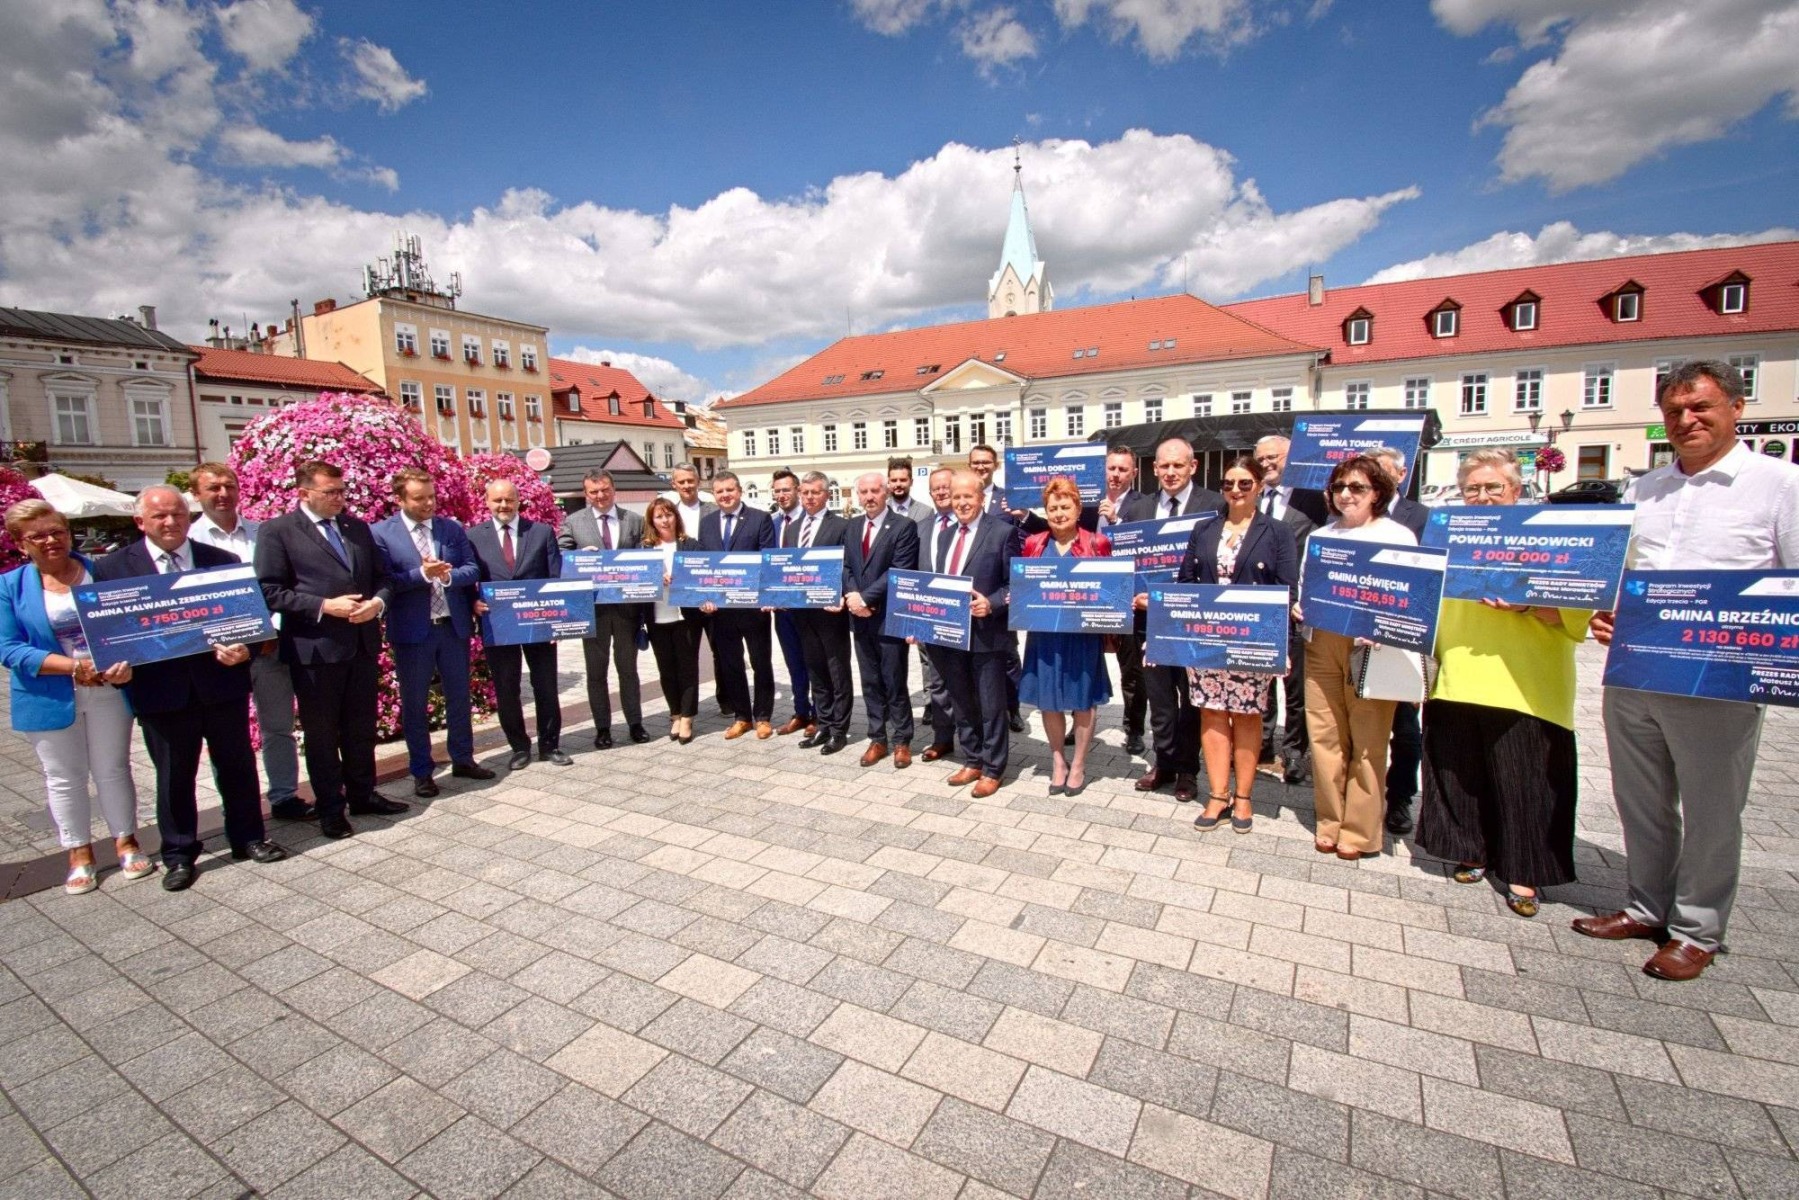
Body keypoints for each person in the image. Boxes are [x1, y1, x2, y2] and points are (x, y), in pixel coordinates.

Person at [1580, 360, 1799, 980]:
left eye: (1700, 407)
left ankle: (1698, 928)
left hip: (1719, 675)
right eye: (1674, 411)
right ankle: (1646, 906)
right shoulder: (1644, 489)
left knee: (1711, 806)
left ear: (1737, 407)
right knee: (1640, 797)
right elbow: (1623, 574)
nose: (1686, 420)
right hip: (1637, 670)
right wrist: (1609, 612)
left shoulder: (1780, 484)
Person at [1416, 450, 1586, 919]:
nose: (1483, 496)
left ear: (1517, 491)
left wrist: (1527, 604)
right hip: (1457, 674)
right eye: (1473, 488)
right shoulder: (1449, 538)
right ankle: (1470, 850)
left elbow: (1579, 611)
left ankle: (1523, 870)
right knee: (1459, 772)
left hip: (1526, 679)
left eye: (1494, 487)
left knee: (1526, 781)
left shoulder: (1548, 538)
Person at [95, 486, 285, 888]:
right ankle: (179, 853)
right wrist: (114, 669)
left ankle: (249, 836)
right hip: (160, 692)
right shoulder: (112, 569)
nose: (170, 523)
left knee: (237, 767)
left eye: (178, 515)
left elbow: (247, 623)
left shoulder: (223, 561)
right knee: (174, 776)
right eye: (160, 516)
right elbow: (108, 635)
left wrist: (245, 650)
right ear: (140, 522)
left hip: (221, 684)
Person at [255, 461, 406, 840]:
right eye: (331, 492)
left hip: (361, 642)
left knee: (360, 728)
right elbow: (269, 591)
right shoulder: (278, 532)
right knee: (322, 735)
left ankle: (363, 794)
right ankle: (330, 808)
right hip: (315, 651)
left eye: (342, 491)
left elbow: (382, 577)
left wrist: (378, 604)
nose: (340, 498)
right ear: (304, 493)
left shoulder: (356, 528)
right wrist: (324, 606)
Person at [1, 500, 145, 894]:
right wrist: (72, 668)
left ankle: (126, 842)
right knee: (64, 778)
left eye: (58, 531)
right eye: (39, 536)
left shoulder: (102, 573)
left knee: (113, 767)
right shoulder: (9, 586)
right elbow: (8, 647)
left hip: (108, 689)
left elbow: (133, 624)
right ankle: (79, 853)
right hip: (48, 693)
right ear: (20, 543)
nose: (51, 540)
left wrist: (128, 661)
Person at [1298, 454, 1416, 861]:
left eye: (1357, 487)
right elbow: (1305, 586)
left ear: (1378, 492)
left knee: (1368, 739)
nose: (1346, 494)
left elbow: (1408, 599)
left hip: (1373, 646)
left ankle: (1362, 830)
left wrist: (1386, 625)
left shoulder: (1397, 536)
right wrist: (1299, 607)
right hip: (1322, 642)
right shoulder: (1321, 536)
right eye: (1339, 488)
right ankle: (1330, 821)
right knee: (1325, 735)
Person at [1178, 457, 1299, 833]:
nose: (1235, 490)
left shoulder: (1277, 532)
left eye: (1244, 483)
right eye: (1229, 483)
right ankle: (1217, 794)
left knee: (1247, 715)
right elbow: (1186, 582)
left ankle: (1243, 796)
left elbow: (1287, 591)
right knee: (1212, 712)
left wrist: (1285, 648)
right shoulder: (1204, 529)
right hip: (1208, 638)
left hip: (1253, 640)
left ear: (1259, 486)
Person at [190, 462, 310, 820]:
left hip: (268, 647)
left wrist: (270, 633)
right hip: (219, 655)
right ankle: (236, 806)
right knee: (225, 737)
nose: (223, 494)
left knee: (279, 727)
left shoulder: (265, 533)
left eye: (229, 486)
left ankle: (285, 796)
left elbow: (280, 587)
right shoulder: (190, 541)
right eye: (213, 488)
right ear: (197, 495)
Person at [371, 469, 494, 798]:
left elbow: (472, 568)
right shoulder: (382, 534)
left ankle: (463, 759)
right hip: (413, 633)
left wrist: (450, 577)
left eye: (431, 496)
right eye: (419, 498)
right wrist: (421, 574)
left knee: (458, 697)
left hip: (451, 628)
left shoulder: (450, 528)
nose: (428, 503)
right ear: (400, 499)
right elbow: (386, 582)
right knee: (415, 703)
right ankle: (422, 771)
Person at [1125, 436, 1224, 803]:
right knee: (1160, 699)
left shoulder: (1213, 505)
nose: (1170, 472)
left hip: (1192, 622)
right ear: (1154, 469)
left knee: (1192, 699)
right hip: (1148, 623)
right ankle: (1163, 762)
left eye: (1177, 465)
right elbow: (1127, 567)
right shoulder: (1139, 510)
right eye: (1163, 466)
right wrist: (1132, 594)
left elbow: (1217, 564)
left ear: (1193, 467)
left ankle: (1187, 769)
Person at [1018, 477, 1113, 796]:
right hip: (1044, 634)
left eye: (1065, 506)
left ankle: (1080, 764)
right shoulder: (1034, 543)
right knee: (1049, 700)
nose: (1059, 513)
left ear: (1078, 507)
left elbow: (1110, 589)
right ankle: (1058, 760)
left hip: (1081, 635)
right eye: (1052, 507)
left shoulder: (1096, 543)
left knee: (1083, 700)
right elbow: (1024, 586)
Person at [931, 469, 1022, 797]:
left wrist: (994, 603)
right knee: (962, 700)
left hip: (987, 633)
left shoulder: (1002, 532)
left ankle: (994, 768)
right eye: (956, 497)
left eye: (968, 496)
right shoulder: (944, 535)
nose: (961, 502)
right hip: (951, 633)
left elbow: (1017, 584)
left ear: (981, 498)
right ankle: (972, 759)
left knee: (990, 703)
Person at [468, 479, 570, 769]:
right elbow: (467, 579)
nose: (504, 506)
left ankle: (550, 745)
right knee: (506, 686)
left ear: (518, 501)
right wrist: (472, 602)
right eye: (497, 500)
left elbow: (554, 578)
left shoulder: (540, 533)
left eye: (509, 500)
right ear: (487, 502)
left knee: (546, 684)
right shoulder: (474, 537)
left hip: (539, 622)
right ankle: (519, 747)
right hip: (497, 623)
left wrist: (556, 622)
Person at [559, 469, 649, 749]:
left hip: (626, 609)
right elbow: (558, 557)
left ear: (614, 489)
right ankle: (602, 728)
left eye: (605, 490)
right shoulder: (573, 522)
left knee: (628, 670)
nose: (600, 496)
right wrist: (575, 557)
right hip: (593, 609)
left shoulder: (634, 520)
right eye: (594, 492)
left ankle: (635, 723)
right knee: (596, 672)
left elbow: (646, 555)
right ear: (586, 494)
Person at [1370, 445, 1429, 836]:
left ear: (1401, 475)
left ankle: (1400, 798)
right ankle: (1365, 799)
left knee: (1406, 730)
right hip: (1355, 641)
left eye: (1381, 473)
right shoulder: (1343, 518)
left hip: (1401, 638)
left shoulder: (1421, 518)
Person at [1251, 436, 1316, 784]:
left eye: (1272, 458)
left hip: (1294, 612)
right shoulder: (1250, 497)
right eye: (1260, 460)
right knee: (1261, 680)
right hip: (1259, 610)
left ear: (1291, 458)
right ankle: (1261, 742)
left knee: (1295, 689)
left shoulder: (1314, 501)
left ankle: (1294, 751)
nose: (1266, 465)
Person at [845, 471, 921, 768]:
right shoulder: (852, 527)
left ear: (886, 491)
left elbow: (899, 570)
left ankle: (903, 740)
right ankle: (877, 738)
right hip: (860, 618)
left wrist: (866, 599)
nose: (869, 497)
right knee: (870, 681)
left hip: (889, 617)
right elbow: (846, 566)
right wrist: (853, 597)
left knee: (894, 680)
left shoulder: (903, 526)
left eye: (875, 490)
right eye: (863, 492)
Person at [698, 471, 777, 739]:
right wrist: (704, 597)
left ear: (739, 490)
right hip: (721, 611)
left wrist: (767, 595)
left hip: (753, 606)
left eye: (729, 490)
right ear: (714, 495)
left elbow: (768, 559)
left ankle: (763, 716)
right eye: (719, 492)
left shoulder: (760, 519)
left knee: (760, 661)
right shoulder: (706, 523)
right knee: (730, 664)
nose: (725, 495)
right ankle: (742, 716)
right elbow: (704, 565)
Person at [784, 472, 853, 754]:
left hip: (830, 612)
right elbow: (786, 566)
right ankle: (823, 724)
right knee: (815, 670)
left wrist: (842, 595)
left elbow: (848, 566)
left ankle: (840, 730)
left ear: (826, 494)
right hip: (802, 612)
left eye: (815, 492)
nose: (810, 497)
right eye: (806, 492)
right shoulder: (792, 527)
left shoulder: (841, 526)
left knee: (837, 671)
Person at [968, 443, 1033, 732]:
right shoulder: (965, 496)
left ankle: (1013, 708)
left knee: (1008, 654)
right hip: (972, 588)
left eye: (986, 462)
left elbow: (1024, 537)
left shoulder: (1009, 499)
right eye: (976, 462)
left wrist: (1022, 514)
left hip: (1002, 588)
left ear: (995, 465)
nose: (981, 466)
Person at [1095, 443, 1147, 756]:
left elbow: (1145, 548)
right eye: (1112, 468)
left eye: (1123, 469)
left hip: (1126, 600)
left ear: (1134, 473)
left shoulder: (1144, 506)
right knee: (1087, 662)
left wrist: (1116, 523)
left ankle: (1134, 729)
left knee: (1131, 671)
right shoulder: (1089, 503)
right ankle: (1082, 719)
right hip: (1092, 597)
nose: (1116, 475)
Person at [640, 498, 702, 743]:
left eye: (669, 515)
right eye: (659, 516)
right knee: (666, 669)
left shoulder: (691, 546)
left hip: (684, 616)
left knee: (687, 667)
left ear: (676, 516)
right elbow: (638, 582)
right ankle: (675, 713)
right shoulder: (644, 549)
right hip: (657, 617)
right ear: (651, 521)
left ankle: (687, 716)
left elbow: (701, 578)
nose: (665, 520)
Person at [765, 468, 816, 737]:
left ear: (797, 490)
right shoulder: (771, 523)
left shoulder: (811, 522)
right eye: (778, 490)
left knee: (814, 662)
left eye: (787, 489)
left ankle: (820, 714)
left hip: (810, 607)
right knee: (793, 661)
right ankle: (801, 710)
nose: (782, 495)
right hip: (782, 608)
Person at [915, 467, 958, 761]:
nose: (941, 492)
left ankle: (973, 742)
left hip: (964, 616)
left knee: (966, 683)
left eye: (946, 487)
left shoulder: (973, 525)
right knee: (937, 680)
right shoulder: (921, 527)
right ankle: (943, 738)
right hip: (931, 615)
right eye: (936, 488)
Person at [886, 457, 931, 522]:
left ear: (911, 482)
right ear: (888, 482)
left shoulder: (925, 512)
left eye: (903, 480)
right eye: (894, 480)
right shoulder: (880, 511)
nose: (898, 484)